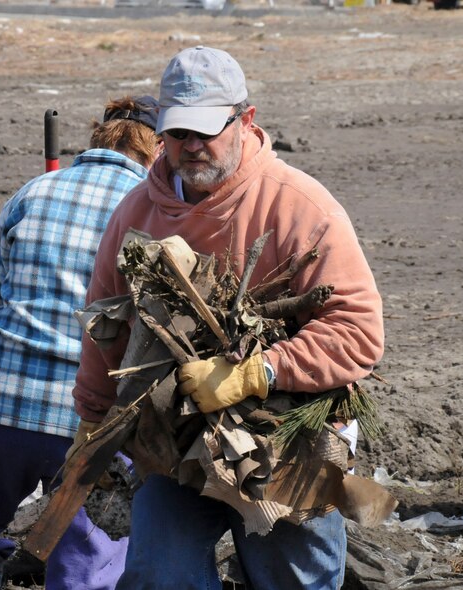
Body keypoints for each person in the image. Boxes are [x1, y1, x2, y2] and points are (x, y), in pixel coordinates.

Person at [72, 47, 384, 589]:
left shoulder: (300, 206)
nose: (191, 147)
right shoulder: (135, 215)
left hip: (288, 435)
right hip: (173, 438)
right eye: (178, 132)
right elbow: (106, 327)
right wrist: (92, 420)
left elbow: (357, 332)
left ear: (246, 120)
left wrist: (255, 372)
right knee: (159, 576)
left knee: (293, 578)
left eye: (208, 130)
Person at [0, 96, 162, 590]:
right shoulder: (155, 211)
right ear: (157, 150)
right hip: (93, 418)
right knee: (87, 563)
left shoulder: (34, 192)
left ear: (100, 136)